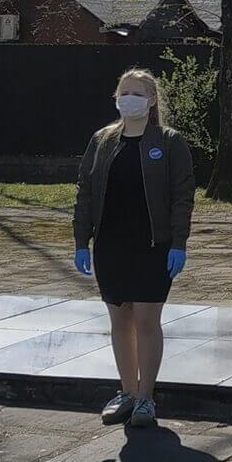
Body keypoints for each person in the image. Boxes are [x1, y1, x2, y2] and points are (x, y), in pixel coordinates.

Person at [73, 68, 195, 428]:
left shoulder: (170, 142)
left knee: (145, 321)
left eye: (137, 93)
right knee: (119, 322)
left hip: (153, 246)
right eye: (124, 92)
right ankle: (126, 391)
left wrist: (179, 242)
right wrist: (82, 240)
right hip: (111, 245)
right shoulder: (102, 141)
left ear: (152, 99)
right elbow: (85, 191)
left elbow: (182, 196)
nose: (129, 99)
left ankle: (145, 397)